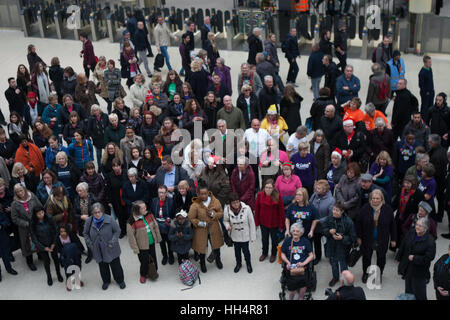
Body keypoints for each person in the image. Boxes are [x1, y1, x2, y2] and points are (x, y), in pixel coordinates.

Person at [356, 189, 396, 284]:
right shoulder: (365, 208)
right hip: (367, 238)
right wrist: (359, 237)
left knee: (381, 257)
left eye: (377, 198)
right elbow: (358, 223)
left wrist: (393, 239)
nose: (375, 200)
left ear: (381, 199)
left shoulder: (388, 209)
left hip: (382, 239)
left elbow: (393, 225)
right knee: (366, 257)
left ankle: (379, 274)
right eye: (373, 198)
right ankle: (366, 273)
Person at [84, 203, 125, 290]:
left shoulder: (110, 219)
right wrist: (90, 243)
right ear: (92, 213)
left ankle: (120, 280)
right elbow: (85, 233)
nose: (97, 214)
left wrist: (113, 241)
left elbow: (117, 231)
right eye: (95, 212)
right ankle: (106, 281)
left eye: (99, 212)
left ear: (102, 212)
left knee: (116, 266)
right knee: (103, 267)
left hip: (111, 247)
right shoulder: (89, 221)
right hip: (97, 249)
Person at [396, 217, 436, 300]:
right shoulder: (411, 232)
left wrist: (415, 258)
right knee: (408, 292)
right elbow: (403, 245)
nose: (417, 227)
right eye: (417, 224)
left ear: (426, 228)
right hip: (408, 268)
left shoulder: (430, 241)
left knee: (419, 294)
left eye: (420, 226)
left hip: (419, 273)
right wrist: (399, 258)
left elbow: (429, 257)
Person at [188, 183, 224, 273]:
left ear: (208, 192)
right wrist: (201, 223)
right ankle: (203, 263)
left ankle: (218, 260)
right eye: (201, 194)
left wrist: (213, 214)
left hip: (214, 228)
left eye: (205, 193)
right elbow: (191, 218)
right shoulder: (195, 205)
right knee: (202, 248)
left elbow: (220, 212)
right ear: (198, 194)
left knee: (216, 246)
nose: (204, 195)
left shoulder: (215, 201)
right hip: (201, 230)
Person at [322, 201, 356, 286]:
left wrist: (343, 238)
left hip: (343, 247)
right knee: (333, 263)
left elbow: (352, 237)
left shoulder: (348, 222)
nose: (334, 212)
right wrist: (329, 231)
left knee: (343, 264)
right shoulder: (329, 218)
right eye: (333, 209)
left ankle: (344, 279)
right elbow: (324, 229)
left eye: (337, 210)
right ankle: (335, 277)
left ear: (342, 211)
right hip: (331, 246)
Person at [127, 200, 161, 284]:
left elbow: (155, 225)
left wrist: (158, 238)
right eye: (143, 208)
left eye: (145, 207)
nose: (145, 209)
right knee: (144, 261)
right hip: (141, 246)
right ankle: (143, 274)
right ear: (137, 210)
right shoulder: (131, 221)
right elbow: (131, 238)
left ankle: (153, 271)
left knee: (153, 258)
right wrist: (135, 249)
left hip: (151, 242)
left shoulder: (149, 214)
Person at [11, 184, 42, 271]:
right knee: (27, 245)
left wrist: (38, 218)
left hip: (36, 224)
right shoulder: (15, 203)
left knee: (38, 240)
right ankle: (30, 262)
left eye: (21, 190)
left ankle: (40, 255)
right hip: (24, 228)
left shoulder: (32, 196)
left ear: (24, 189)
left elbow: (39, 207)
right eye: (17, 192)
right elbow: (14, 218)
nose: (20, 193)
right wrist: (26, 223)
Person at [280, 221, 314, 300]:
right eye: (294, 231)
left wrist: (303, 263)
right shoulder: (287, 241)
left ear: (301, 233)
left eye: (297, 231)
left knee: (303, 285)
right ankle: (291, 298)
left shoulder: (305, 241)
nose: (295, 233)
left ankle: (300, 297)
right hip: (290, 268)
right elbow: (282, 254)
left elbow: (311, 255)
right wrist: (288, 262)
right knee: (292, 290)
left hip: (303, 268)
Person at [223, 193, 256, 273]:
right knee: (237, 252)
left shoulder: (247, 208)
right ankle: (238, 264)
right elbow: (225, 220)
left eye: (237, 202)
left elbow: (251, 223)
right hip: (235, 236)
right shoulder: (227, 209)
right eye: (234, 203)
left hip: (245, 235)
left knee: (246, 252)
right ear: (230, 203)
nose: (236, 204)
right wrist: (227, 226)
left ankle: (248, 264)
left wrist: (253, 237)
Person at [30, 206, 62, 286]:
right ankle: (49, 277)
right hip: (42, 245)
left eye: (42, 212)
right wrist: (43, 248)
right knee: (46, 262)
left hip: (52, 243)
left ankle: (59, 274)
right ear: (35, 214)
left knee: (56, 260)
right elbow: (34, 238)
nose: (41, 215)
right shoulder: (33, 222)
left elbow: (56, 231)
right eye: (38, 214)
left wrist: (54, 243)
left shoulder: (49, 218)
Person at [255, 179, 284, 263]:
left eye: (270, 188)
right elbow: (257, 209)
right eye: (266, 187)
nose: (268, 189)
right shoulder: (260, 195)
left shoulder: (278, 196)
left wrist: (282, 224)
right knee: (264, 239)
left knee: (274, 240)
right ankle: (264, 253)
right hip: (263, 222)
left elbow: (281, 211)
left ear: (273, 188)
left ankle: (273, 254)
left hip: (274, 222)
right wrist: (256, 222)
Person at [55, 224, 85, 290]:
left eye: (64, 231)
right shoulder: (58, 238)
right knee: (68, 270)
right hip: (66, 257)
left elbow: (79, 244)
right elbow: (59, 249)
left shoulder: (72, 235)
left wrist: (78, 252)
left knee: (77, 268)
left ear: (67, 231)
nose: (62, 233)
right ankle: (69, 283)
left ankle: (78, 281)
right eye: (61, 232)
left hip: (75, 255)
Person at [427, 134, 448, 221]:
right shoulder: (442, 149)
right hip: (442, 179)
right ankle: (439, 215)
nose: (428, 143)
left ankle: (434, 215)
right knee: (440, 199)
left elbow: (435, 171)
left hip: (437, 181)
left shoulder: (436, 156)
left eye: (429, 141)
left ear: (433, 143)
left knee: (431, 198)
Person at [0, 206, 18, 281]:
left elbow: (6, 220)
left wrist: (1, 225)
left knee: (5, 254)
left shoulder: (0, 212)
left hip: (2, 236)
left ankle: (9, 269)